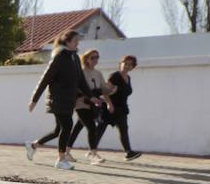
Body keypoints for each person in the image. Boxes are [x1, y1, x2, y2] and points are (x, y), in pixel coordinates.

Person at [25, 29, 91, 170]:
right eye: (75, 41)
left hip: (68, 100)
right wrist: (34, 100)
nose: (78, 43)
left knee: (58, 130)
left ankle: (33, 146)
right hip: (57, 99)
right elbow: (45, 79)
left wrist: (92, 97)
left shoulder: (75, 58)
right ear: (67, 41)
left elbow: (81, 81)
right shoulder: (60, 56)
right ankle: (61, 160)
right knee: (67, 126)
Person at [91, 55, 143, 161]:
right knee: (100, 130)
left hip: (121, 108)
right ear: (121, 64)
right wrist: (109, 104)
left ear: (133, 67)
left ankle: (128, 152)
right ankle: (92, 151)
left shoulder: (128, 78)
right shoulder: (115, 76)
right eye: (125, 63)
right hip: (110, 108)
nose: (127, 66)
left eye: (130, 65)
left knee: (124, 129)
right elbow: (105, 91)